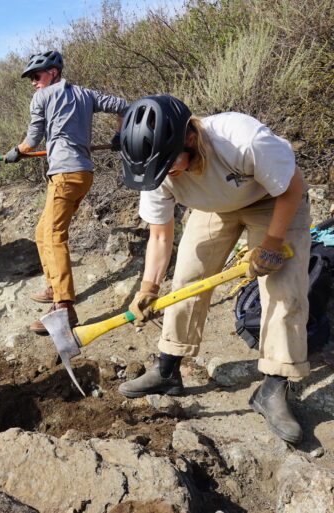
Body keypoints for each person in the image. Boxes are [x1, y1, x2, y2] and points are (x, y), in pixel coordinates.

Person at [118, 95, 310, 444]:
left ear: (189, 138)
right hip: (211, 207)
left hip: (272, 200)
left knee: (284, 290)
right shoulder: (154, 169)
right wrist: (148, 287)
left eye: (169, 165)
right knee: (188, 279)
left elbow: (292, 187)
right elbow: (160, 237)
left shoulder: (242, 140)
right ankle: (168, 369)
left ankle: (273, 386)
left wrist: (269, 246)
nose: (165, 174)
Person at [3, 50, 128, 334]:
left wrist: (16, 152)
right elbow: (125, 107)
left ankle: (64, 308)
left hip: (64, 174)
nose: (34, 83)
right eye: (31, 79)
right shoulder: (85, 94)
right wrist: (119, 135)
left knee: (54, 236)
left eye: (36, 76)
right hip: (83, 174)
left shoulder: (42, 97)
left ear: (54, 73)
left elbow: (32, 140)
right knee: (41, 232)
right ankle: (53, 286)